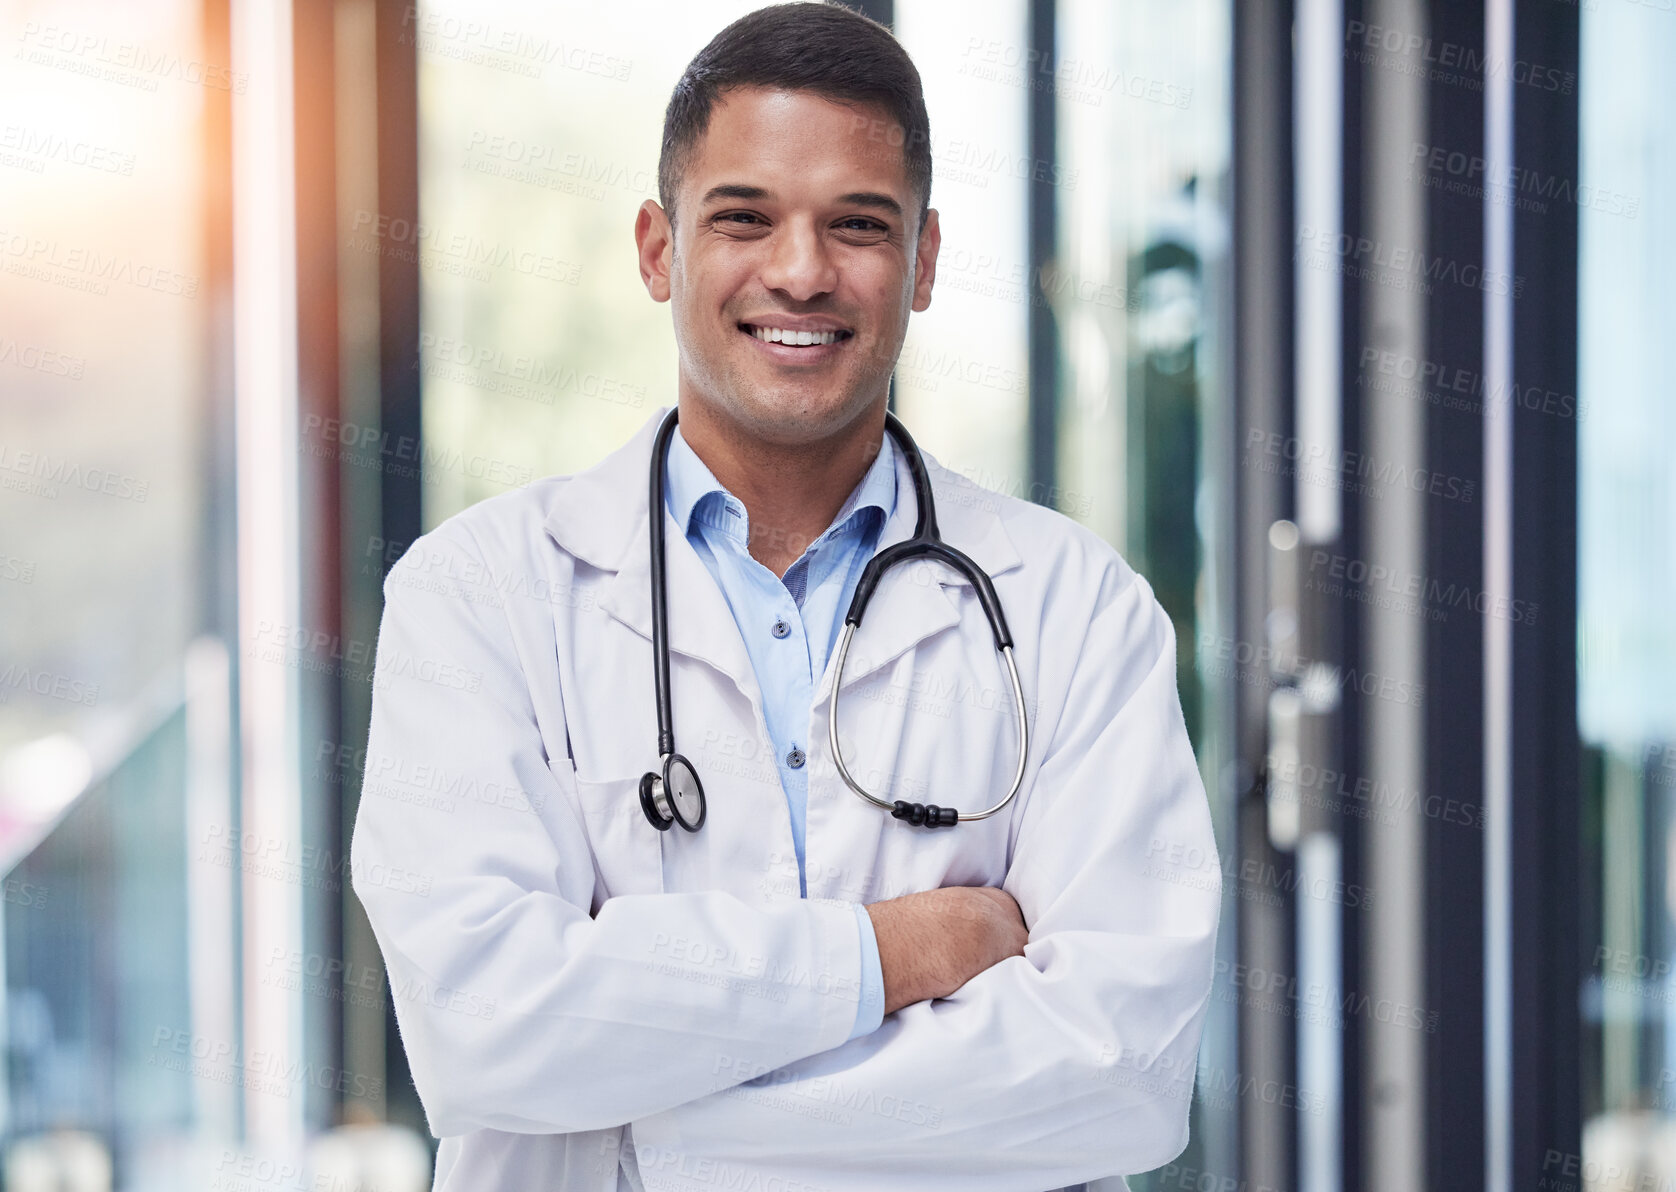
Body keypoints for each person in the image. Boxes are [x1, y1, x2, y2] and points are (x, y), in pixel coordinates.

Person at [349, 4, 1222, 1190]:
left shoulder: (1077, 609)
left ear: (920, 263)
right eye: (744, 218)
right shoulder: (477, 597)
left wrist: (646, 1131)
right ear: (659, 249)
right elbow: (482, 1022)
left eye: (856, 226)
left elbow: (1118, 1067)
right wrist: (898, 948)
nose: (800, 272)